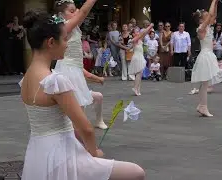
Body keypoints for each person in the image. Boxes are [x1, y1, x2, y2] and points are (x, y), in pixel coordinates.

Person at [20, 10, 145, 180]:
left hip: (38, 154)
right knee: (136, 172)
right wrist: (94, 152)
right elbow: (85, 128)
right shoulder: (55, 81)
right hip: (61, 155)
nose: (67, 44)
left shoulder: (25, 80)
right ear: (50, 42)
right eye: (65, 39)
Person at [53, 0, 107, 129]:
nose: (76, 12)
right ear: (61, 15)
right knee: (76, 112)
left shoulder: (73, 27)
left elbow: (78, 66)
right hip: (67, 71)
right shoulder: (65, 27)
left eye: (75, 9)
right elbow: (83, 12)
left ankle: (82, 135)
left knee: (81, 107)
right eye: (71, 11)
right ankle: (78, 141)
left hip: (73, 70)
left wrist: (96, 78)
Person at [191, 0, 222, 117]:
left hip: (209, 55)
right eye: (206, 17)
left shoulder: (207, 27)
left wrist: (216, 4)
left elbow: (213, 14)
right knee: (205, 84)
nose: (209, 17)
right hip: (205, 55)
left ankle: (202, 105)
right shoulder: (201, 27)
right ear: (201, 20)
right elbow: (211, 15)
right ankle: (203, 106)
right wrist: (213, 1)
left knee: (205, 83)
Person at [128, 24, 154, 96]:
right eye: (136, 31)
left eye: (138, 31)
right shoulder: (135, 39)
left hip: (140, 57)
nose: (138, 32)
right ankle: (135, 88)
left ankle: (138, 89)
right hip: (137, 57)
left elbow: (144, 33)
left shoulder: (139, 38)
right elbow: (143, 32)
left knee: (140, 73)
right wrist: (149, 26)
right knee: (139, 74)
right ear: (133, 34)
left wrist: (150, 28)